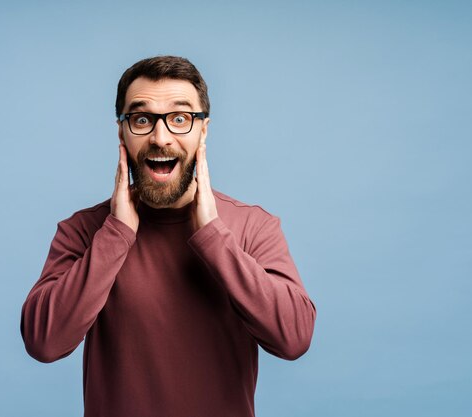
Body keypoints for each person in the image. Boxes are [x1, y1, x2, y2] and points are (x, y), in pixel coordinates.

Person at [21, 56, 316, 417]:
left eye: (180, 119)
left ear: (203, 131)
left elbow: (294, 339)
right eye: (142, 119)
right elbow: (43, 343)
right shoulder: (84, 230)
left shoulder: (253, 227)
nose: (161, 138)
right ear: (122, 132)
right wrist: (117, 234)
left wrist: (213, 235)